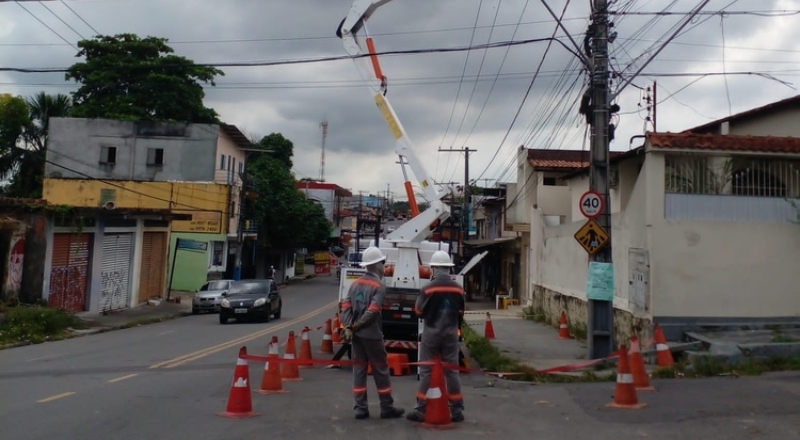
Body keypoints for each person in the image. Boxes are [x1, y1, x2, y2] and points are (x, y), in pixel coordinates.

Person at [340, 246, 405, 420]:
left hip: (356, 336)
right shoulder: (379, 285)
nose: (384, 266)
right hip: (372, 335)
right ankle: (386, 408)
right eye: (382, 263)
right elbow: (373, 311)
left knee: (359, 371)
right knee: (381, 370)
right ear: (377, 265)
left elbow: (345, 307)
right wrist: (355, 326)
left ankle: (360, 409)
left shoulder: (355, 285)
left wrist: (349, 327)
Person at [406, 250, 466, 423]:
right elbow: (461, 312)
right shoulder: (458, 289)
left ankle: (420, 411)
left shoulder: (427, 288)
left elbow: (418, 311)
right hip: (450, 335)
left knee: (426, 371)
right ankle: (456, 411)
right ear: (448, 269)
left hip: (431, 334)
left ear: (434, 269)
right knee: (452, 373)